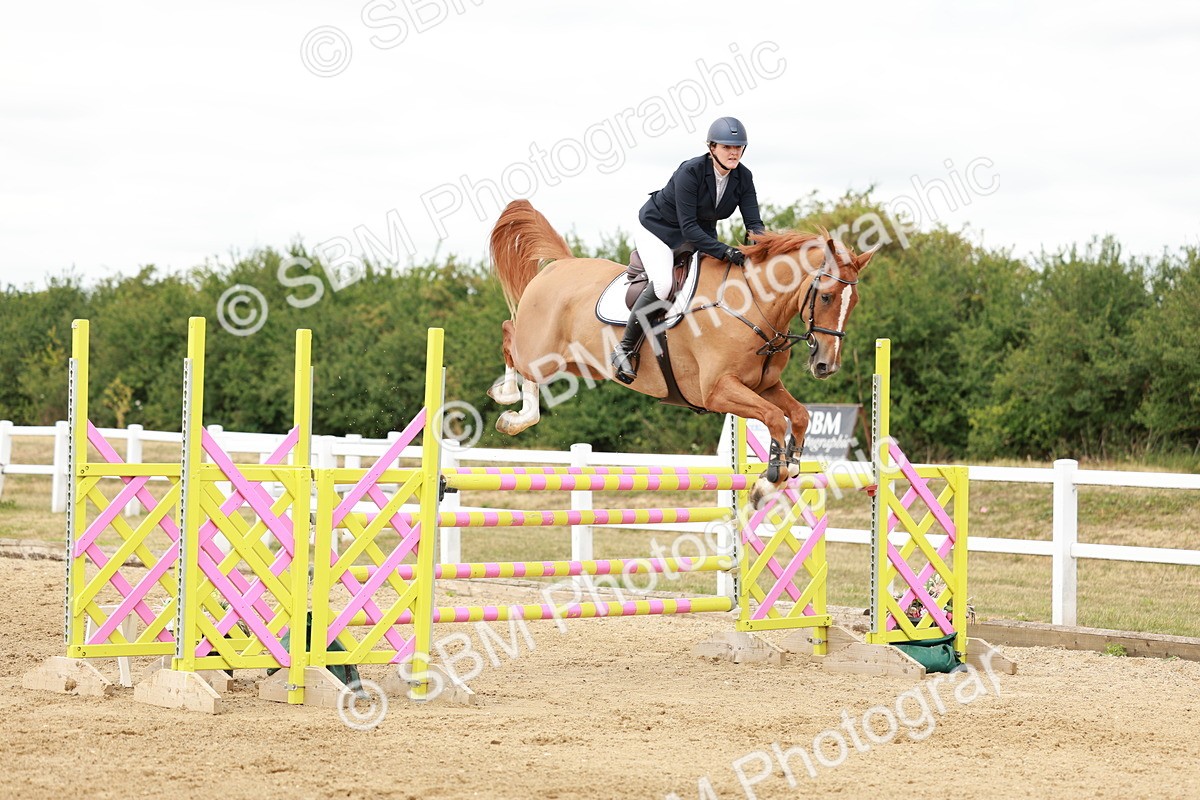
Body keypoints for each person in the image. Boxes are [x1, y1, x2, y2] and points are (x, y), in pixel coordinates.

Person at [610, 116, 766, 384]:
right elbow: (689, 227)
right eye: (727, 147)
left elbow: (754, 223)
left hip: (699, 233)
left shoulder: (743, 176)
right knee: (663, 285)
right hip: (659, 230)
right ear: (712, 148)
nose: (733, 152)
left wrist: (763, 248)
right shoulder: (690, 171)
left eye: (738, 147)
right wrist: (726, 251)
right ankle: (624, 349)